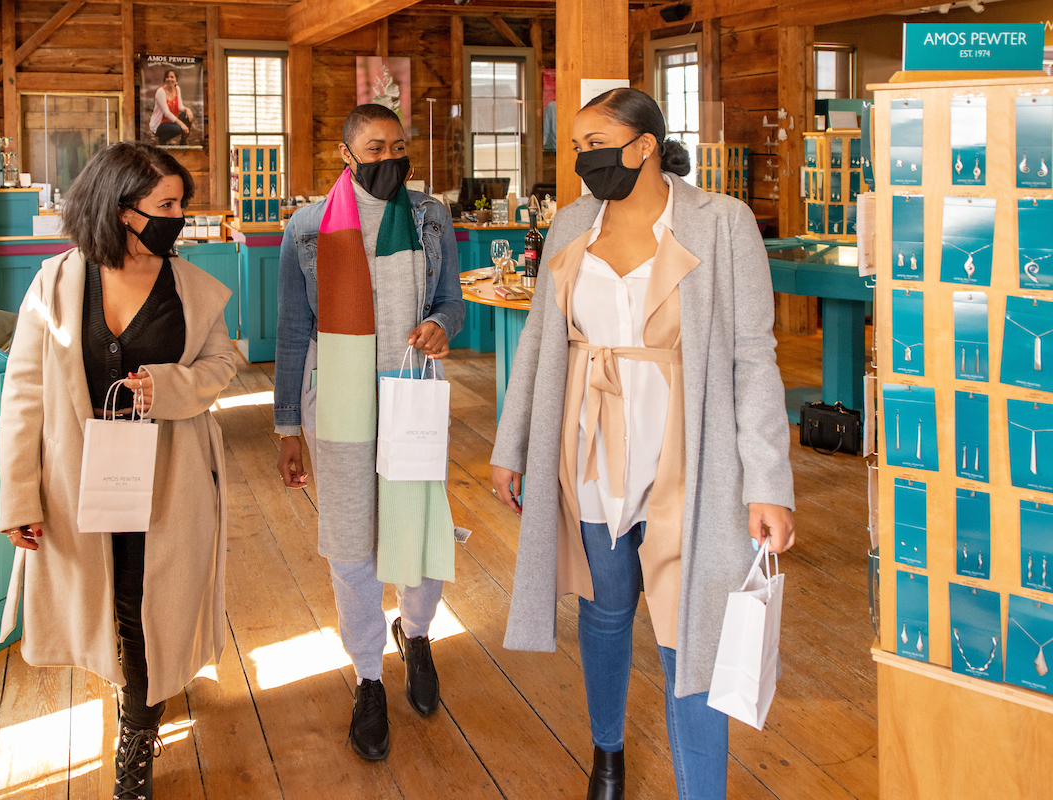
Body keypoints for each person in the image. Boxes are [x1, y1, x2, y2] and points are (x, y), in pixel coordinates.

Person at [490, 88, 796, 800]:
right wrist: (513, 446)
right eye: (574, 147)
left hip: (690, 455)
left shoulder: (722, 224)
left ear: (644, 145)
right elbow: (540, 342)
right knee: (604, 606)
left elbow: (754, 356)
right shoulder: (570, 223)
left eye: (594, 142)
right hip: (589, 449)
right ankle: (607, 751)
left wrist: (767, 483)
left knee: (691, 628)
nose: (580, 158)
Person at [0, 141, 235, 799]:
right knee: (110, 602)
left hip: (172, 482)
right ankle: (141, 700)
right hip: (79, 483)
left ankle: (136, 734)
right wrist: (19, 495)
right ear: (120, 207)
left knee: (147, 602)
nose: (178, 216)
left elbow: (222, 366)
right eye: (166, 204)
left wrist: (171, 386)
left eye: (179, 203)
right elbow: (23, 394)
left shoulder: (191, 286)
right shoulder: (56, 283)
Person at [274, 103, 466, 761]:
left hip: (413, 395)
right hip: (339, 405)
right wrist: (284, 428)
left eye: (400, 145)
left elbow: (453, 304)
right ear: (347, 156)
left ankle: (415, 634)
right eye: (376, 147)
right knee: (352, 542)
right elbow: (294, 331)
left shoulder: (429, 217)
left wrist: (443, 325)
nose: (391, 157)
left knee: (416, 526)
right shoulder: (306, 229)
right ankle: (367, 676)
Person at [149, 68, 194, 146]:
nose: (169, 79)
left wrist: (187, 109)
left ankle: (183, 141)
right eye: (167, 77)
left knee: (187, 117)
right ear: (164, 79)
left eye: (172, 77)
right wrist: (182, 125)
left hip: (171, 121)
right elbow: (166, 113)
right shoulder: (161, 91)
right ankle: (162, 140)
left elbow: (180, 106)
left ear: (176, 79)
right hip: (160, 123)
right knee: (179, 128)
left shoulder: (177, 89)